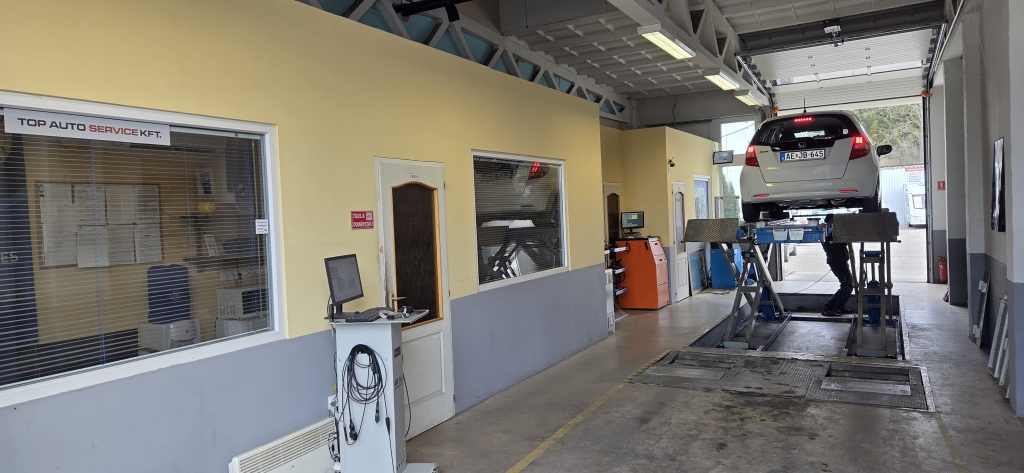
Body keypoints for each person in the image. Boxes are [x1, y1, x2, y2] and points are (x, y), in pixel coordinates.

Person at [821, 214, 853, 316]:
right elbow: (842, 242)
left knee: (849, 285)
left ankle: (839, 306)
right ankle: (828, 308)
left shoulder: (834, 232)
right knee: (845, 286)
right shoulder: (827, 233)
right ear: (830, 220)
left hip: (842, 261)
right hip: (837, 262)